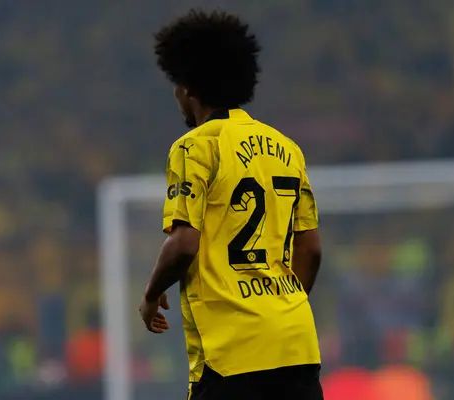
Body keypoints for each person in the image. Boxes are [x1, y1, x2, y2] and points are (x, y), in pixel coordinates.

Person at [139, 9, 323, 400]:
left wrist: (151, 295)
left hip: (232, 357)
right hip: (297, 345)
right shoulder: (287, 149)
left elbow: (185, 243)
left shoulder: (195, 146)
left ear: (188, 88)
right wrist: (278, 311)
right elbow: (311, 249)